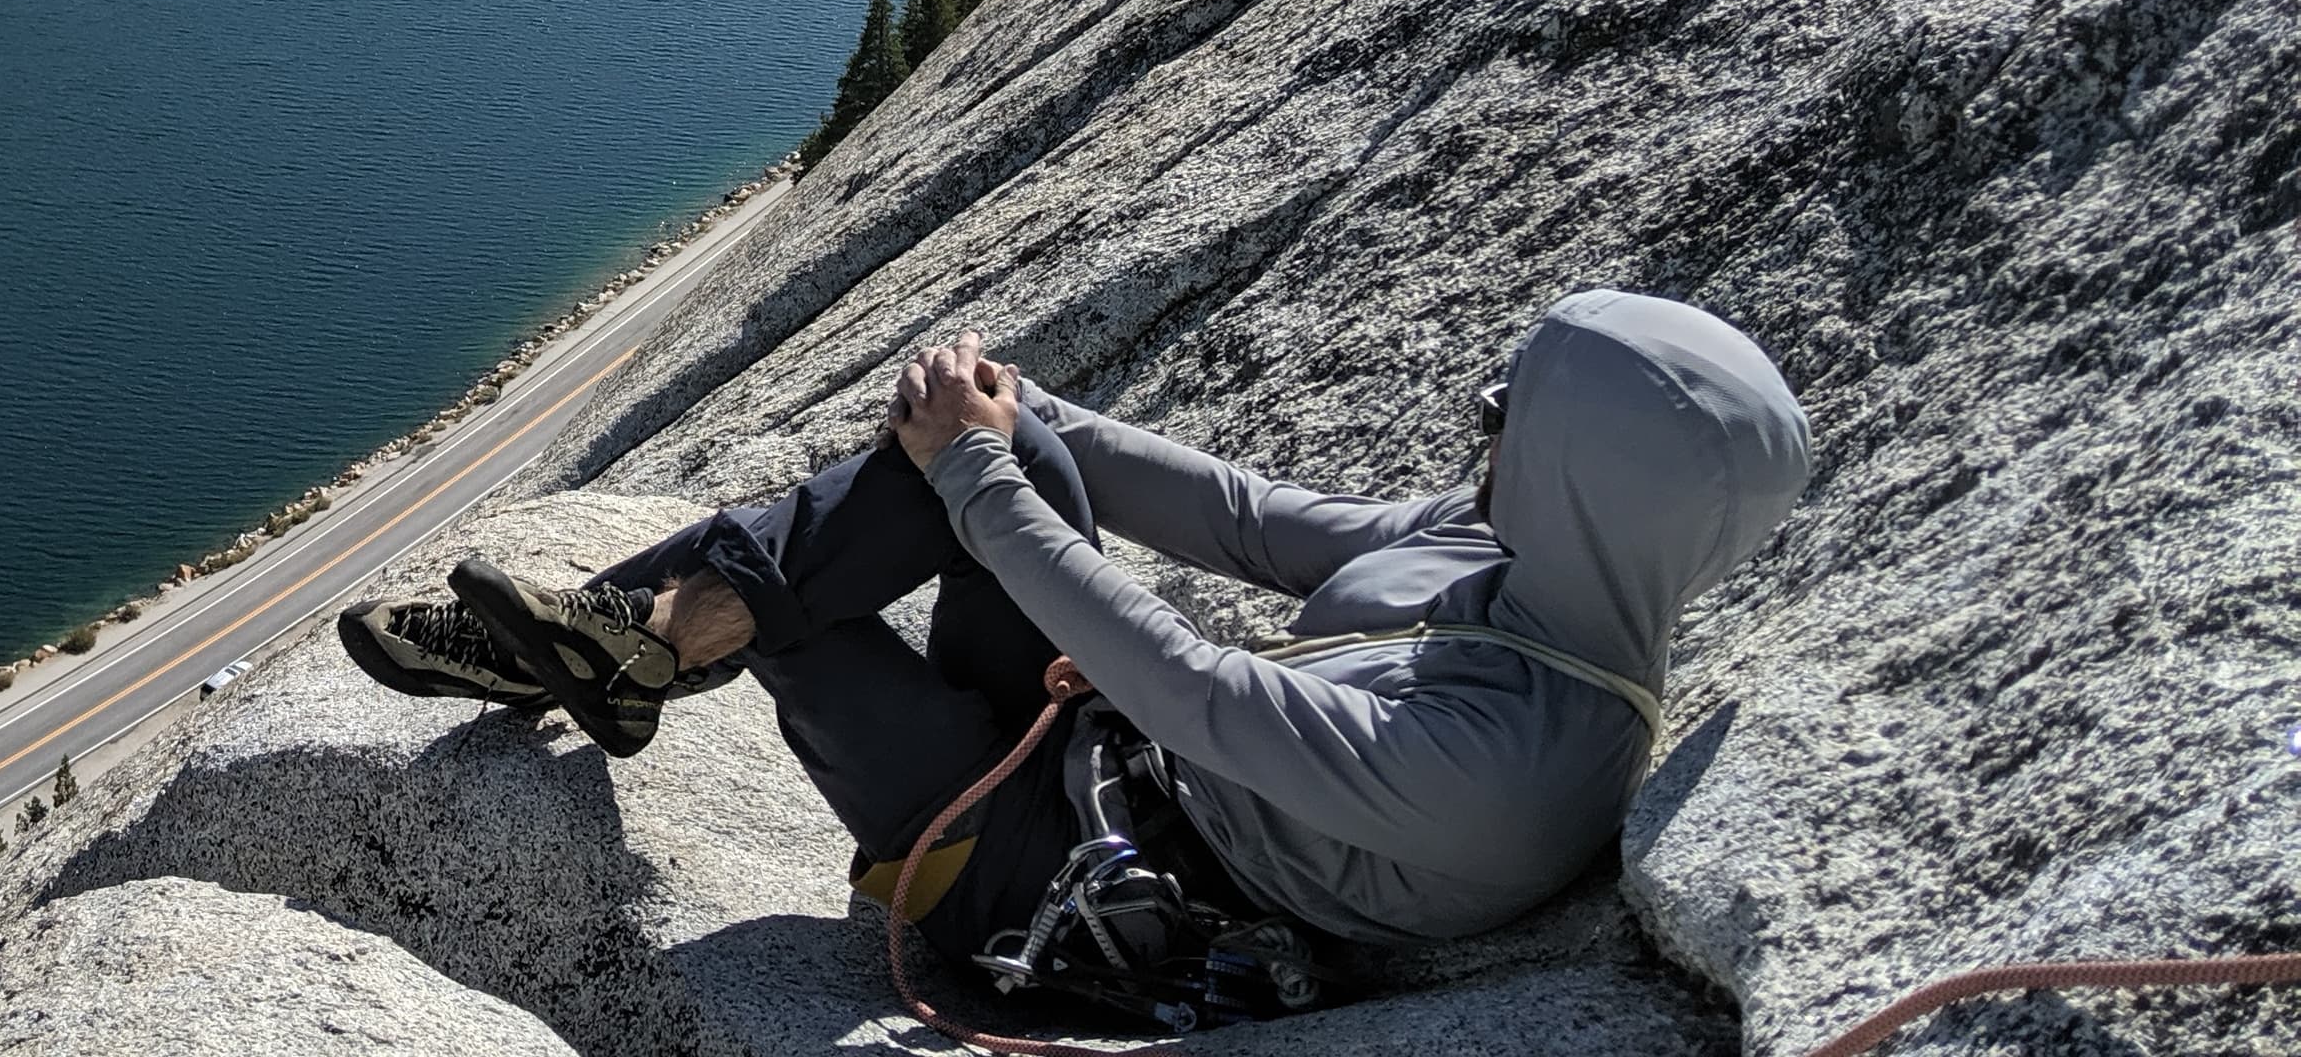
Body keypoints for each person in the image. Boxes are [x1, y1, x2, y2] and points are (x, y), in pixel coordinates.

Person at [340, 288, 1810, 983]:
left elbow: (1199, 691)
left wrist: (974, 469)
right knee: (1001, 468)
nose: (1483, 429)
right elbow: (1250, 520)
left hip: (1047, 881)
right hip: (1095, 756)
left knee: (815, 601)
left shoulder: (1524, 759)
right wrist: (1033, 421)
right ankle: (622, 643)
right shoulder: (1507, 556)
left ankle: (627, 640)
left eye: (1515, 420)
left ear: (1582, 471)